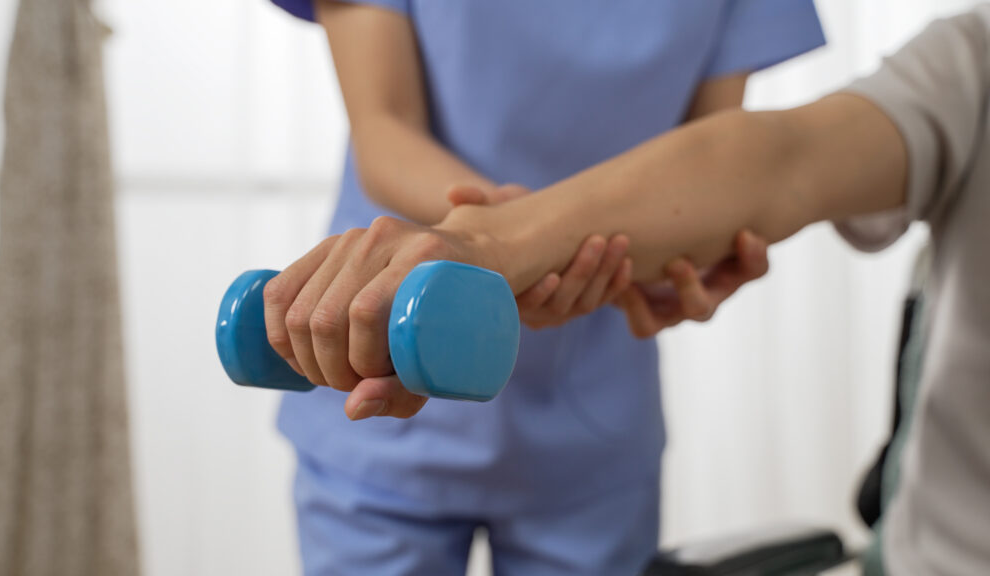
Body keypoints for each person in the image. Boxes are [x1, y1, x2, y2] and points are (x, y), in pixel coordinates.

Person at [266, 7, 990, 575]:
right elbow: (383, 130)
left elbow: (725, 172)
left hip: (594, 398)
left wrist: (678, 259)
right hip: (388, 351)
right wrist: (510, 239)